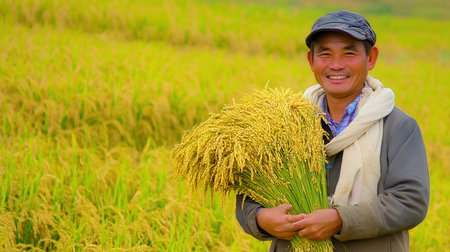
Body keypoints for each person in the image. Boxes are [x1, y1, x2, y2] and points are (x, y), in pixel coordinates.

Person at [235, 10, 429, 252]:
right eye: (325, 54)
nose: (336, 65)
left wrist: (341, 220)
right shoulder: (286, 124)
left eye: (349, 53)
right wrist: (261, 218)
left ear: (371, 58)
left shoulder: (397, 127)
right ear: (311, 60)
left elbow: (410, 201)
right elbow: (250, 190)